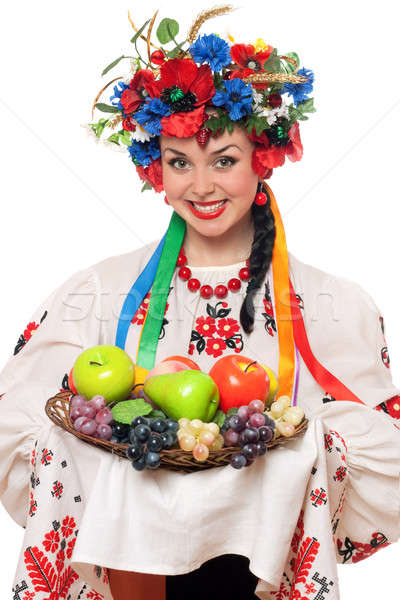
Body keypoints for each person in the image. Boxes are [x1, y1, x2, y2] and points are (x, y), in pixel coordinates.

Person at [0, 5, 399, 600]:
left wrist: (302, 445)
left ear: (263, 160)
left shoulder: (329, 301)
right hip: (134, 578)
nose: (202, 186)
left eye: (226, 160)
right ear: (155, 168)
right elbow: (26, 426)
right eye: (179, 162)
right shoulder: (97, 292)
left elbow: (380, 451)